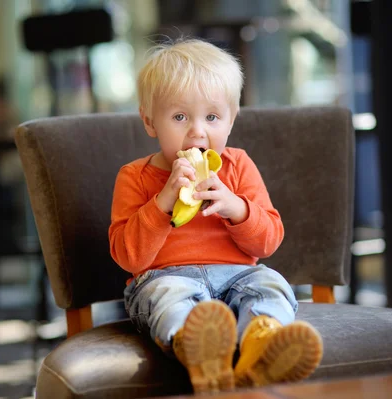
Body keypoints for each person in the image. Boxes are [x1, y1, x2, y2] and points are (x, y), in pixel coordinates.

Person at [108, 38, 323, 394]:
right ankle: (199, 351)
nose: (197, 131)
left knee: (269, 285)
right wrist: (163, 201)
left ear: (231, 120)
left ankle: (260, 344)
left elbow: (268, 241)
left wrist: (236, 208)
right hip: (166, 277)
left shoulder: (238, 166)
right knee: (168, 299)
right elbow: (129, 257)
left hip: (240, 274)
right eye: (179, 117)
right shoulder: (135, 177)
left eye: (211, 117)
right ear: (150, 122)